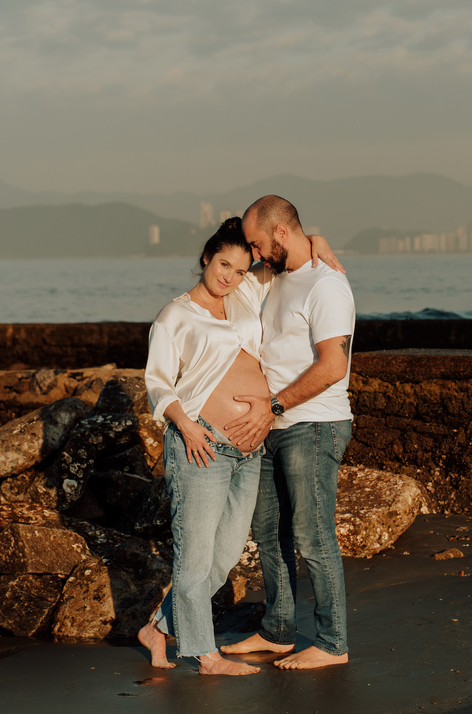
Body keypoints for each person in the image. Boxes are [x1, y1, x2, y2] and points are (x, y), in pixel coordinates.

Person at [138, 216, 339, 675]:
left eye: (238, 268)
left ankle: (156, 629)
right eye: (223, 263)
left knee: (225, 556)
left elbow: (283, 252)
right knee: (194, 557)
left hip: (246, 450)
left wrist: (317, 240)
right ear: (206, 257)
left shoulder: (245, 293)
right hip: (202, 446)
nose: (229, 275)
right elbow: (157, 383)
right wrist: (186, 427)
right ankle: (205, 656)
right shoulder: (176, 315)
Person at [220, 195, 355, 670]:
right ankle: (278, 630)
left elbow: (334, 364)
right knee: (269, 532)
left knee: (313, 536)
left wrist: (274, 405)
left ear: (279, 233)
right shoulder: (276, 277)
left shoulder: (327, 285)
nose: (254, 254)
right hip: (273, 426)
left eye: (258, 243)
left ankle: (333, 642)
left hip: (313, 424)